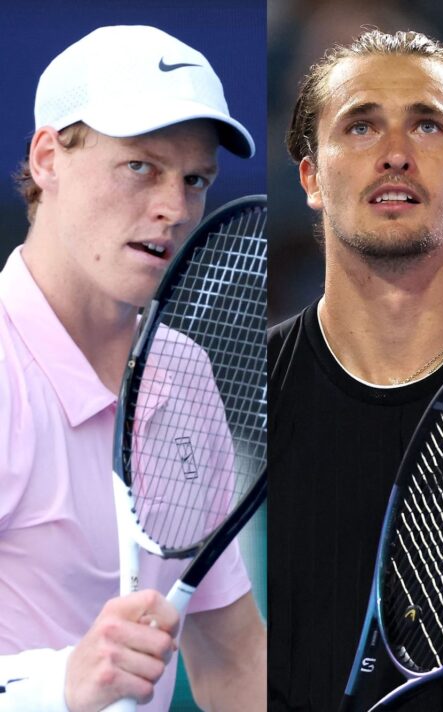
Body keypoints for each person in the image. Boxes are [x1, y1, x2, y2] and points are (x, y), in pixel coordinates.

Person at [0, 25, 265, 712]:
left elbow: (233, 659)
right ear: (49, 157)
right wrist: (58, 684)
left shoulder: (183, 370)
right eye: (141, 167)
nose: (174, 209)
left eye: (195, 179)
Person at [268, 30, 443, 711]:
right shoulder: (243, 394)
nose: (394, 155)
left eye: (427, 124)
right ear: (310, 178)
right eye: (360, 126)